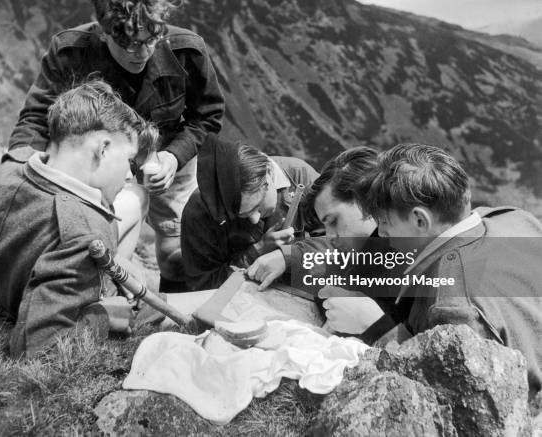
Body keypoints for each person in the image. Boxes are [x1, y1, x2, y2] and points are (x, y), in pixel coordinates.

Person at [7, 0, 225, 292]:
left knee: (175, 250)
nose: (142, 53)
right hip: (102, 156)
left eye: (150, 40)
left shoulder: (187, 51)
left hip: (170, 151)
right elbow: (38, 118)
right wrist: (16, 169)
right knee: (97, 229)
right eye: (129, 45)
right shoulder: (70, 52)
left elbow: (207, 117)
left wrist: (173, 157)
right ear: (104, 31)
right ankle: (99, 300)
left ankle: (168, 314)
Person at [0, 81, 158, 357]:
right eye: (128, 160)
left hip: (3, 278)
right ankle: (115, 290)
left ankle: (117, 276)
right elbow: (35, 347)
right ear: (103, 149)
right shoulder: (83, 234)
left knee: (134, 200)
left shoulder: (15, 163)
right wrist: (103, 316)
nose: (130, 174)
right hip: (48, 287)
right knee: (157, 294)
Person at [357, 143, 542, 394]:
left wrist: (377, 327)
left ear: (420, 220)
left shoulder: (452, 305)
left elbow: (459, 398)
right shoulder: (514, 218)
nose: (382, 232)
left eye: (385, 222)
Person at [247, 147, 413, 342]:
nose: (330, 236)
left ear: (367, 201)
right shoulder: (368, 253)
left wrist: (374, 324)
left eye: (333, 221)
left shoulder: (420, 261)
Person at [181, 135, 320, 291]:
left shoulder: (303, 177)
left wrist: (290, 257)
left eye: (257, 206)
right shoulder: (200, 210)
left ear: (268, 174)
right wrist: (258, 250)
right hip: (240, 299)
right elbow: (203, 283)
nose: (254, 220)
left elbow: (347, 251)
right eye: (241, 215)